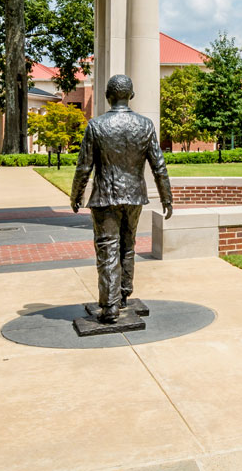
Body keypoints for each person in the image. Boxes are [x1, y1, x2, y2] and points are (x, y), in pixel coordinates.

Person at [71, 74, 173, 323]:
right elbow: (159, 166)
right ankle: (124, 294)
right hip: (134, 197)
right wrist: (166, 197)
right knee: (127, 246)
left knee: (108, 249)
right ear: (131, 96)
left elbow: (84, 167)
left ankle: (110, 306)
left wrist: (76, 194)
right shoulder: (146, 125)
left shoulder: (96, 126)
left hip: (106, 197)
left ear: (107, 96)